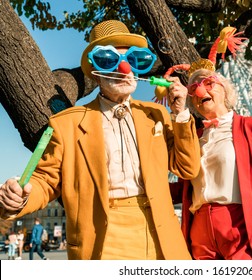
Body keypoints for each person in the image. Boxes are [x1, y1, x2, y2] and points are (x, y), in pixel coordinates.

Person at [0, 19, 200, 260]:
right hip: (104, 238)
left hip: (161, 234)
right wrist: (21, 198)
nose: (123, 69)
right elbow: (47, 181)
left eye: (132, 60)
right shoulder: (67, 124)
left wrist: (181, 114)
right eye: (108, 60)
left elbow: (187, 168)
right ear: (95, 72)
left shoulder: (156, 115)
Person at [171, 67, 252, 260]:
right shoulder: (194, 137)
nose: (200, 91)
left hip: (239, 226)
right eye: (193, 89)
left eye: (209, 83)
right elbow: (183, 188)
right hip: (198, 230)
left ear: (225, 90)